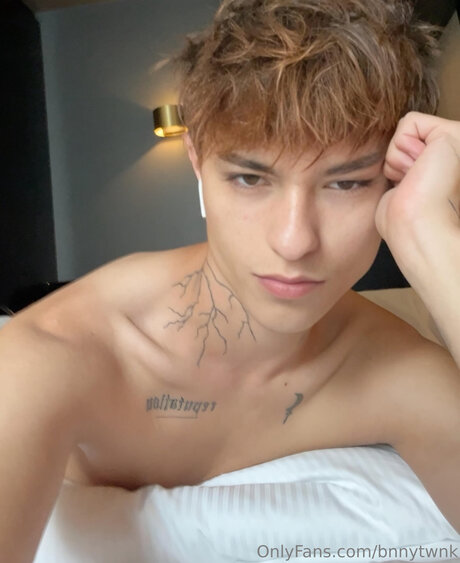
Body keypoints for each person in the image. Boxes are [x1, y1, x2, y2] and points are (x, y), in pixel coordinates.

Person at [1, 0, 460, 560]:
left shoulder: (397, 373)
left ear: (397, 181)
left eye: (346, 184)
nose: (294, 240)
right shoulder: (54, 356)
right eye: (249, 178)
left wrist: (434, 237)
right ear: (198, 162)